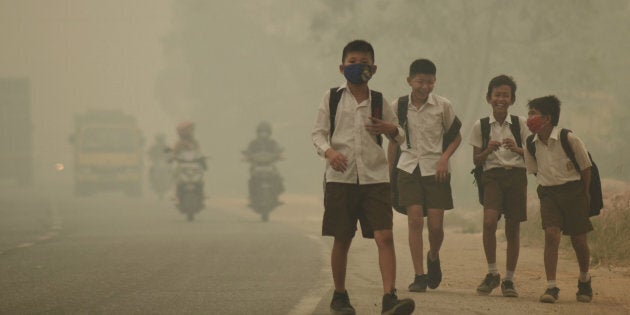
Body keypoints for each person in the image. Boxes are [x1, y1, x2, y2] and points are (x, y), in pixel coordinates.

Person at [311, 39, 415, 315]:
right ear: (342, 67)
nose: (359, 67)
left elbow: (401, 135)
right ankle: (340, 295)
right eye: (353, 62)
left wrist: (390, 128)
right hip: (340, 179)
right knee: (342, 238)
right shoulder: (332, 97)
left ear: (374, 68)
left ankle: (389, 297)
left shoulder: (380, 101)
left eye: (364, 63)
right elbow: (318, 133)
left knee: (385, 237)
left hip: (375, 179)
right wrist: (329, 151)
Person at [388, 59, 462, 293]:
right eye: (420, 81)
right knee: (415, 220)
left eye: (429, 82)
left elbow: (456, 137)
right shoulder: (398, 106)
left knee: (437, 227)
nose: (424, 86)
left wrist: (444, 159)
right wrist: (390, 173)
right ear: (409, 81)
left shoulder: (443, 106)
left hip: (436, 169)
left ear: (434, 82)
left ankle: (433, 256)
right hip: (408, 168)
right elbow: (393, 142)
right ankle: (419, 275)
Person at [523, 95, 594, 304]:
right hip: (549, 193)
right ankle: (551, 286)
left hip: (574, 191)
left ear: (547, 118)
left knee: (579, 240)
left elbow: (586, 166)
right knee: (551, 235)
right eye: (529, 113)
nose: (529, 119)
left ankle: (584, 279)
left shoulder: (569, 138)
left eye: (533, 114)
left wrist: (585, 193)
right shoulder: (530, 143)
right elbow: (536, 171)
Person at [469, 75, 529, 297]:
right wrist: (487, 150)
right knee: (489, 221)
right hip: (492, 176)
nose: (501, 99)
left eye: (506, 95)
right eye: (497, 95)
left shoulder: (521, 124)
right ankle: (492, 272)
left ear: (512, 99)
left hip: (516, 176)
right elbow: (476, 160)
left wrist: (517, 149)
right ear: (489, 98)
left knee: (513, 227)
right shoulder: (481, 125)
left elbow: (533, 154)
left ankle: (509, 279)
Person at [243, 121, 284, 208]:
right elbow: (248, 152)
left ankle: (275, 195)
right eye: (261, 131)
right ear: (258, 132)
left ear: (269, 133)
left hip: (269, 165)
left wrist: (279, 156)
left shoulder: (273, 143)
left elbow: (277, 151)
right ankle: (252, 196)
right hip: (257, 165)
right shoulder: (253, 143)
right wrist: (247, 157)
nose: (263, 134)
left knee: (277, 177)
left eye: (265, 131)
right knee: (252, 180)